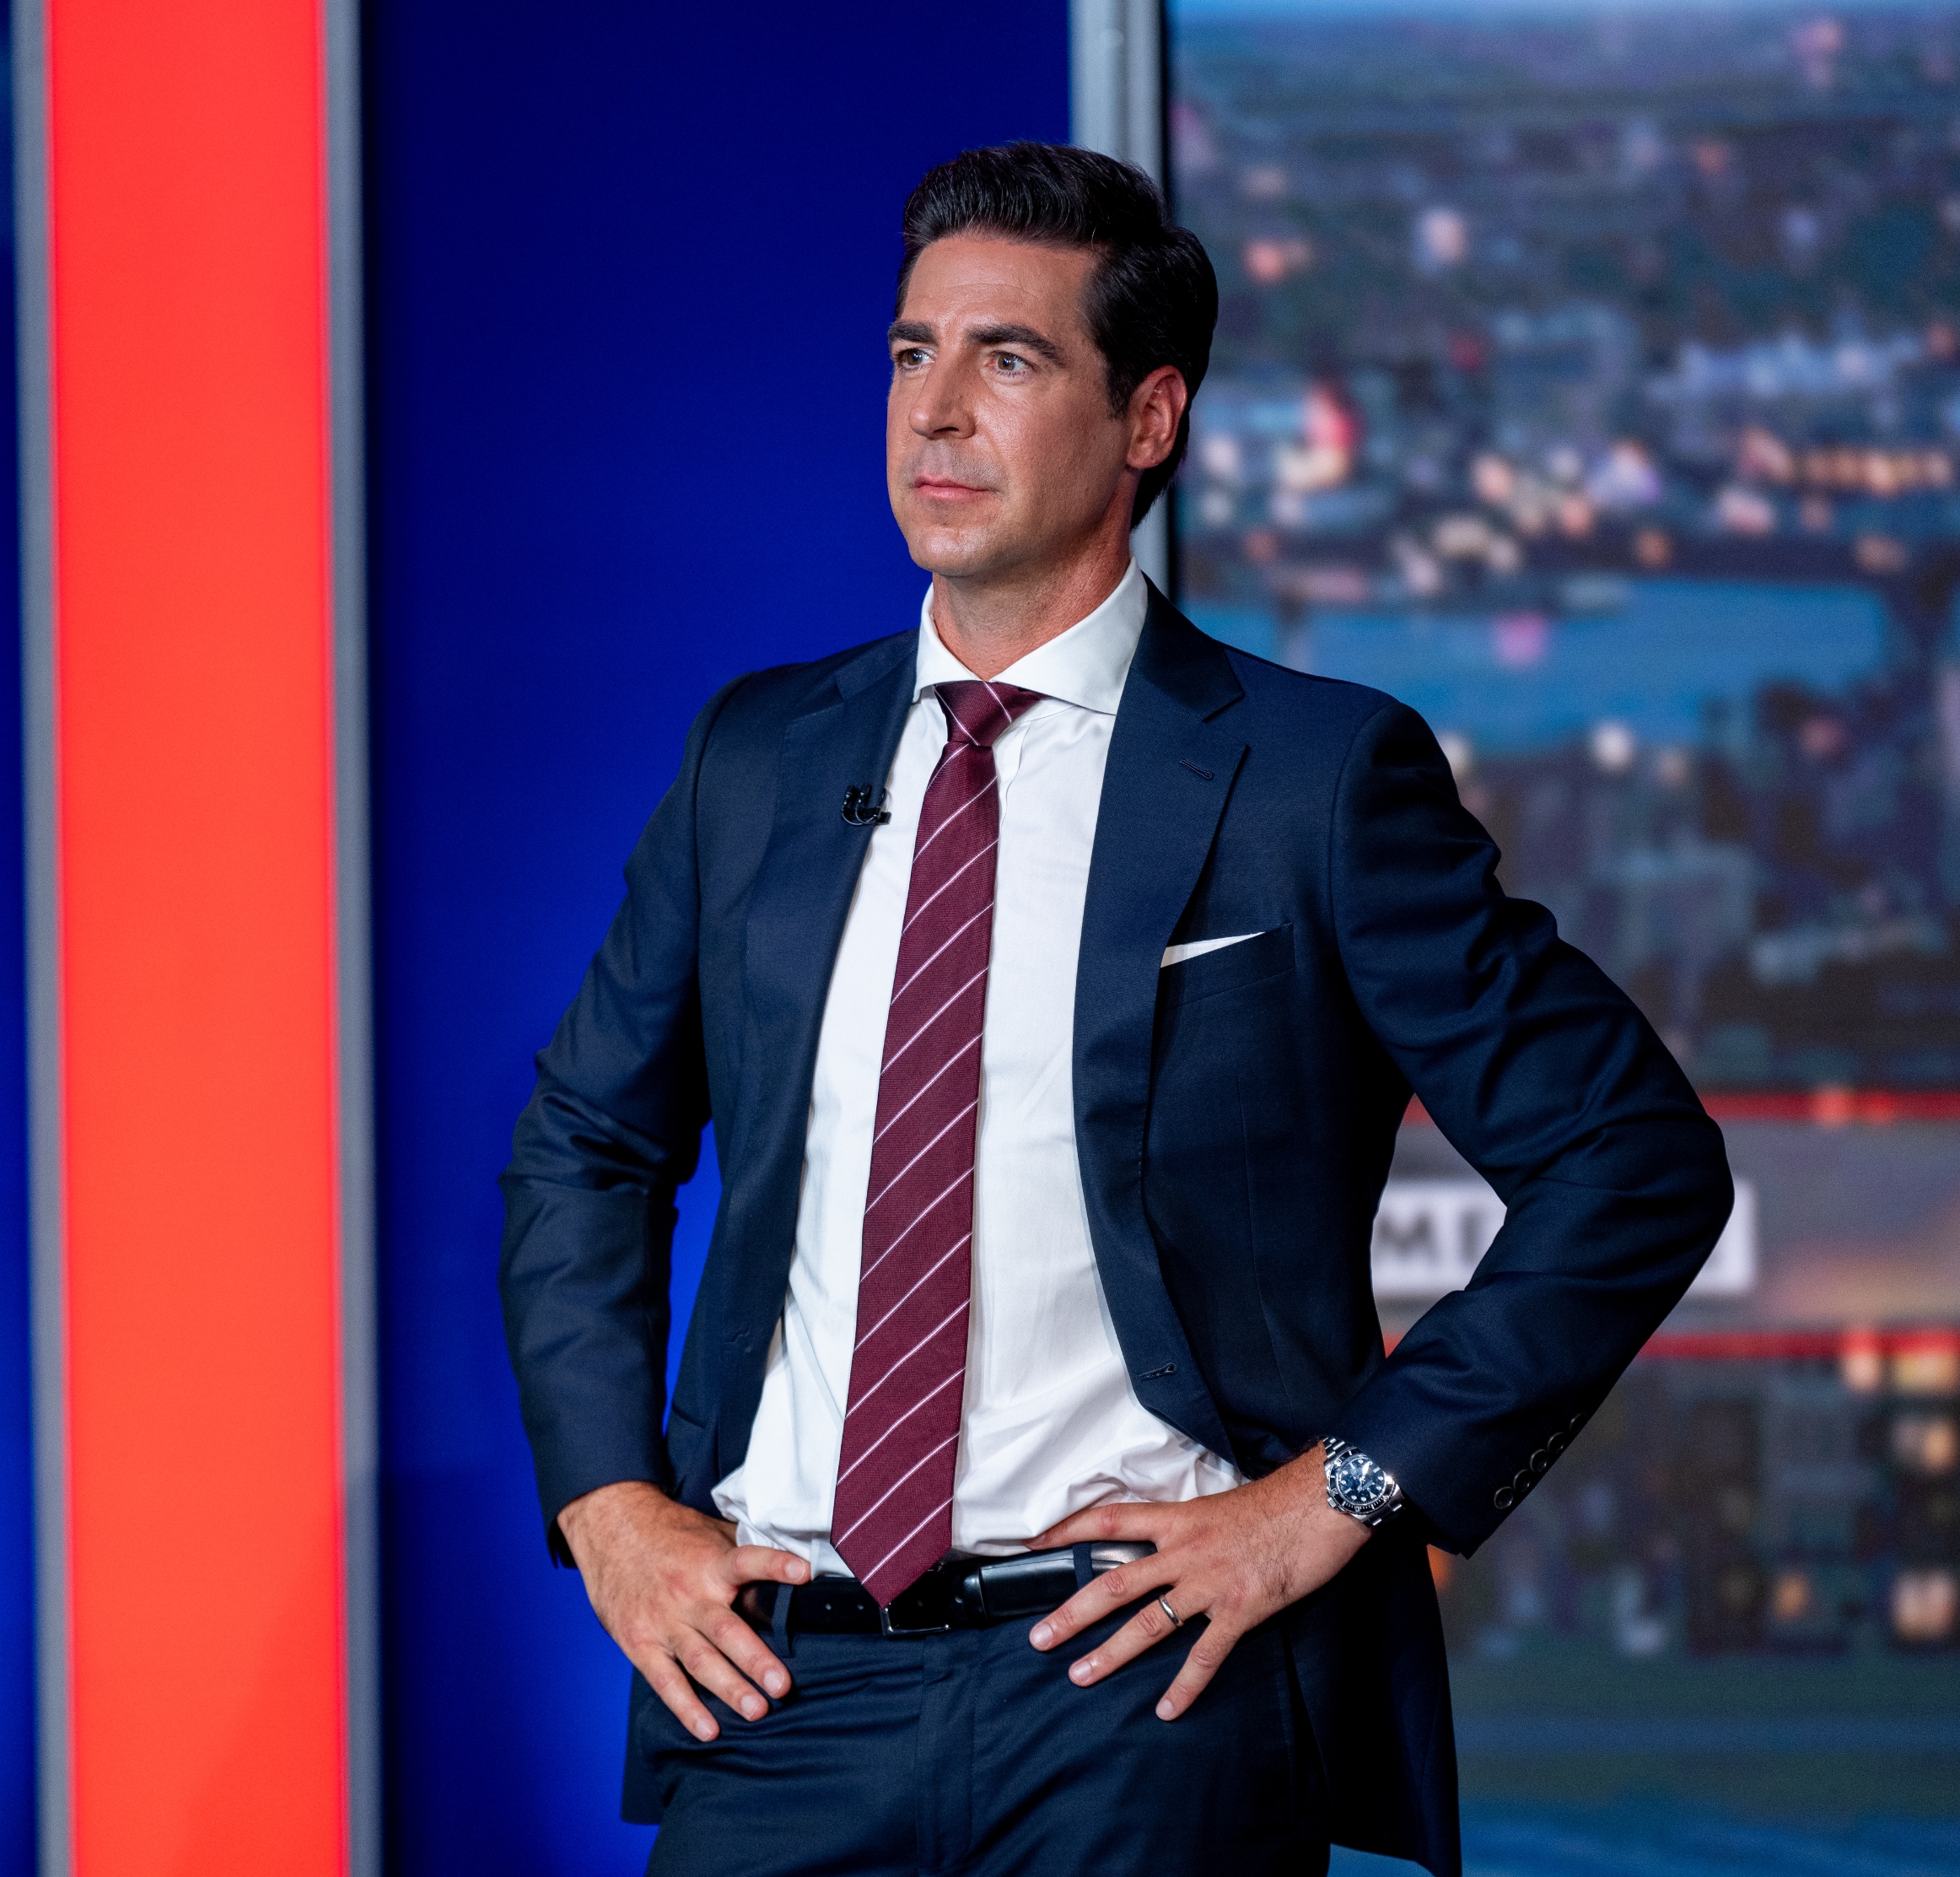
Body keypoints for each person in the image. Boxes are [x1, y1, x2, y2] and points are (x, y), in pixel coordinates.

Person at [500, 143, 1731, 1877]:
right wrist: (607, 1507)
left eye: (1006, 360)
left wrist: (1336, 1500)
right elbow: (584, 1141)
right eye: (909, 354)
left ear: (1146, 420)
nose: (935, 412)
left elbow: (1633, 1159)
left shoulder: (1308, 777)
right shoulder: (753, 759)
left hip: (1144, 1701)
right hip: (778, 1701)